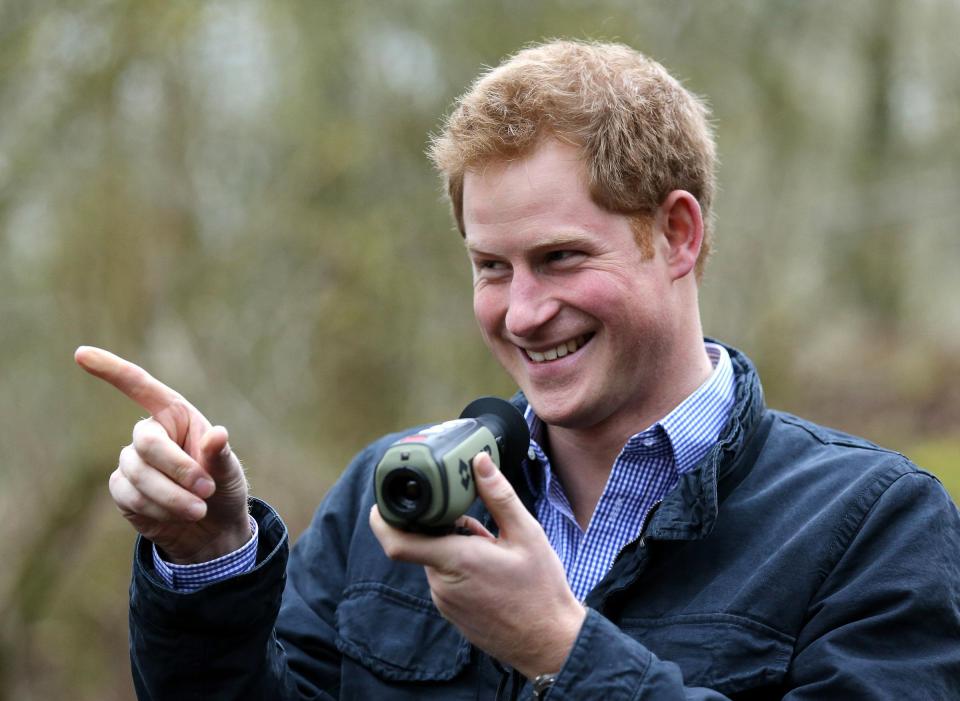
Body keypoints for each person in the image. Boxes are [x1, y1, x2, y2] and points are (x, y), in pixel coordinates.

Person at [75, 40, 960, 699]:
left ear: (679, 234)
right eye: (492, 267)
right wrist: (210, 562)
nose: (524, 311)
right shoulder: (386, 502)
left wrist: (562, 649)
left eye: (563, 257)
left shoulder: (876, 526)